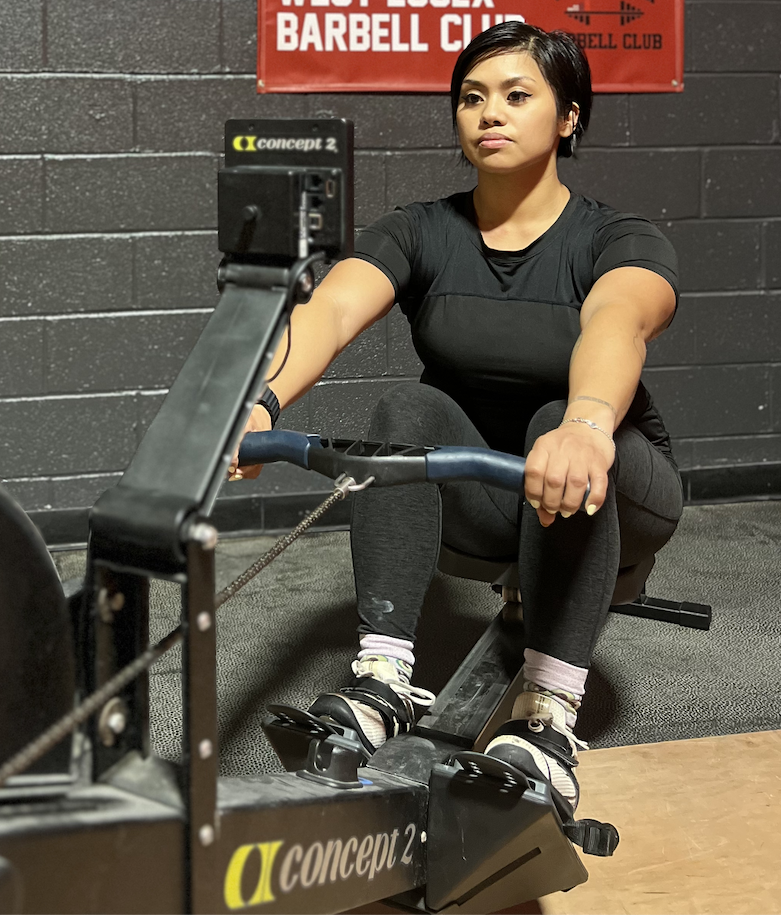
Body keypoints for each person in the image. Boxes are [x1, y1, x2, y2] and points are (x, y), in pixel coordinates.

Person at [227, 22, 682, 815]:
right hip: (485, 490)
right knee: (407, 405)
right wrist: (253, 404)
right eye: (472, 98)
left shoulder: (616, 238)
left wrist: (584, 423)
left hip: (611, 480)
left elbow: (617, 322)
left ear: (569, 116)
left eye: (516, 95)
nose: (488, 114)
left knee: (551, 420)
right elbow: (330, 313)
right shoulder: (422, 230)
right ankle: (384, 680)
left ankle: (548, 713)